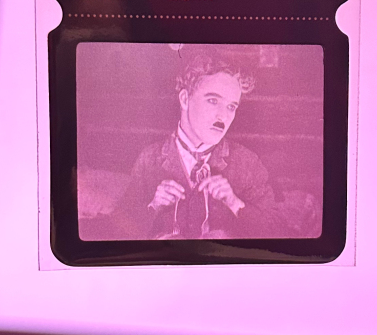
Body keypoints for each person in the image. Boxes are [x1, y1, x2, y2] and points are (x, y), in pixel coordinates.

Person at [118, 51, 278, 240]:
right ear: (185, 99)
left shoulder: (246, 162)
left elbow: (274, 231)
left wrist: (235, 203)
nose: (223, 116)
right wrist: (153, 206)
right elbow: (120, 232)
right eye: (213, 101)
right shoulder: (150, 159)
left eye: (231, 107)